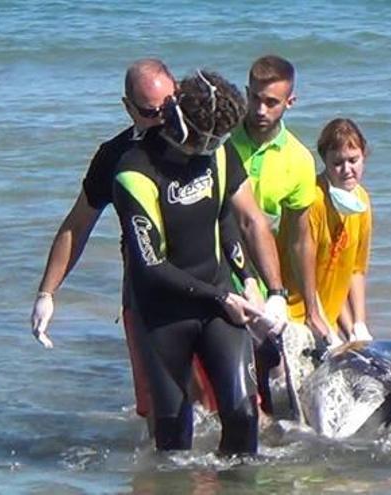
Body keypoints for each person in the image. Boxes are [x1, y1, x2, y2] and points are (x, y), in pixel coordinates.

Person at [29, 59, 259, 420]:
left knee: (240, 407)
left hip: (214, 287)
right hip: (152, 294)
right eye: (151, 112)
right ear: (128, 108)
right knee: (168, 414)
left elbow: (245, 218)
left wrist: (263, 287)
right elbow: (77, 225)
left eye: (170, 106)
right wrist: (47, 294)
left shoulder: (206, 142)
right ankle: (174, 478)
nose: (164, 118)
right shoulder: (117, 157)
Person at [112, 70, 286, 453]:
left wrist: (251, 280)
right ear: (179, 124)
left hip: (218, 300)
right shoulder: (134, 170)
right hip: (163, 313)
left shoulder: (220, 153)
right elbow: (151, 265)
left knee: (243, 413)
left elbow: (225, 218)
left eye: (218, 140)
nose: (210, 148)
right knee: (175, 435)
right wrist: (221, 298)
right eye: (204, 141)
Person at [223, 54, 334, 414]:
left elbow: (301, 239)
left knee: (271, 364)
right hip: (213, 262)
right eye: (254, 98)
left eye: (271, 102)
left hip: (260, 271)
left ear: (290, 102)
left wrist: (311, 307)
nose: (260, 109)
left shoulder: (299, 159)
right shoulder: (220, 143)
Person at [280, 118, 373, 343]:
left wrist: (357, 327)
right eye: (338, 163)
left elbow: (353, 270)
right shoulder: (313, 201)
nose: (347, 170)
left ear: (364, 156)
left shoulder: (361, 201)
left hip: (326, 319)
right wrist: (321, 322)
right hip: (295, 315)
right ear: (324, 161)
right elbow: (307, 272)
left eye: (353, 160)